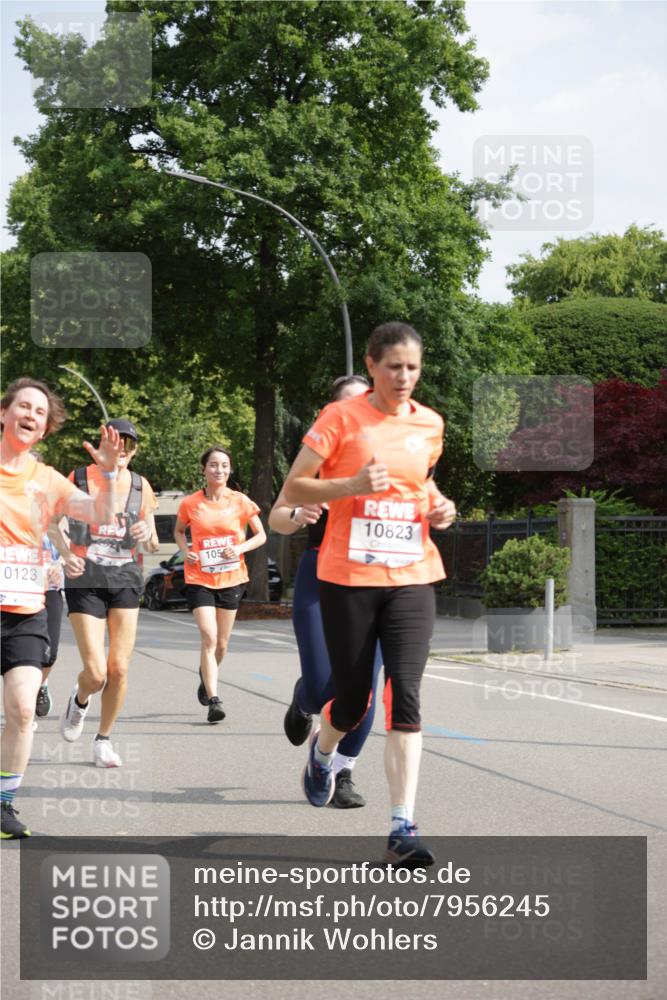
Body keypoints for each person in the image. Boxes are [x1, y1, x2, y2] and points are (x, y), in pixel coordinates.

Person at [283, 322, 456, 867]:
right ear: (373, 364)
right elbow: (295, 487)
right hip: (348, 576)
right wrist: (351, 486)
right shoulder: (341, 418)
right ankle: (323, 752)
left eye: (413, 368)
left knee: (405, 695)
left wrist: (441, 506)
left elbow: (419, 483)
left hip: (411, 575)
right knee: (353, 700)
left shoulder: (430, 424)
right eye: (393, 367)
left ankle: (402, 826)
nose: (404, 377)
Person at [1, 377, 122, 838]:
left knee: (22, 708)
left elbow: (102, 515)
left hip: (27, 608)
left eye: (39, 412)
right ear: (4, 413)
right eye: (23, 406)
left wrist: (108, 473)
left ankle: (3, 805)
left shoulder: (46, 480)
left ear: (45, 430)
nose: (31, 415)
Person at [269, 375, 382, 809]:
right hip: (322, 579)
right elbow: (276, 518)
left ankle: (342, 771)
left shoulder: (391, 460)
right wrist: (297, 513)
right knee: (322, 689)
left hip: (374, 583)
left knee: (363, 690)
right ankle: (304, 700)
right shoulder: (316, 463)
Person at [59, 418, 159, 768]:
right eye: (115, 443)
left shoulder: (141, 485)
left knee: (118, 668)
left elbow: (153, 539)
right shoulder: (81, 478)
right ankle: (80, 698)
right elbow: (53, 521)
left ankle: (103, 740)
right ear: (103, 444)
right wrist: (65, 553)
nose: (121, 451)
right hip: (86, 575)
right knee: (97, 672)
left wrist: (147, 530)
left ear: (133, 450)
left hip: (125, 577)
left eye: (128, 445)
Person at [174, 446, 266, 724]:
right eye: (213, 465)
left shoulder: (240, 501)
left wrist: (239, 548)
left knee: (222, 644)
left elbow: (261, 535)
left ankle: (206, 675)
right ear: (204, 469)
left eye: (224, 465)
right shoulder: (190, 503)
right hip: (199, 577)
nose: (219, 470)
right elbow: (179, 530)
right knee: (209, 637)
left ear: (229, 470)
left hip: (232, 578)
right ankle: (214, 700)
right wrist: (184, 549)